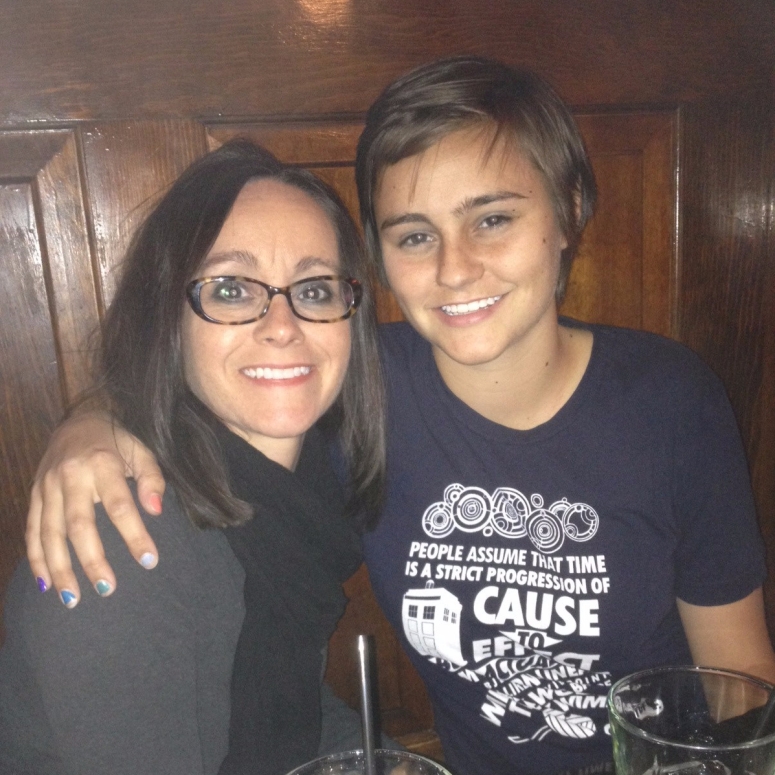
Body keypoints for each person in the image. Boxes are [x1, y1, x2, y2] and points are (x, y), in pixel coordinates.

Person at [23, 58, 775, 775]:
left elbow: (740, 680)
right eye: (415, 235)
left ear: (569, 211)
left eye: (492, 219)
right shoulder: (360, 390)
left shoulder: (669, 402)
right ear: (379, 259)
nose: (454, 267)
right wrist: (95, 421)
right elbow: (212, 381)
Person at [0, 138, 386, 775]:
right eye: (231, 289)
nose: (282, 325)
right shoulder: (130, 539)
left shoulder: (307, 488)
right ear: (168, 317)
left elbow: (283, 708)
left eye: (315, 289)